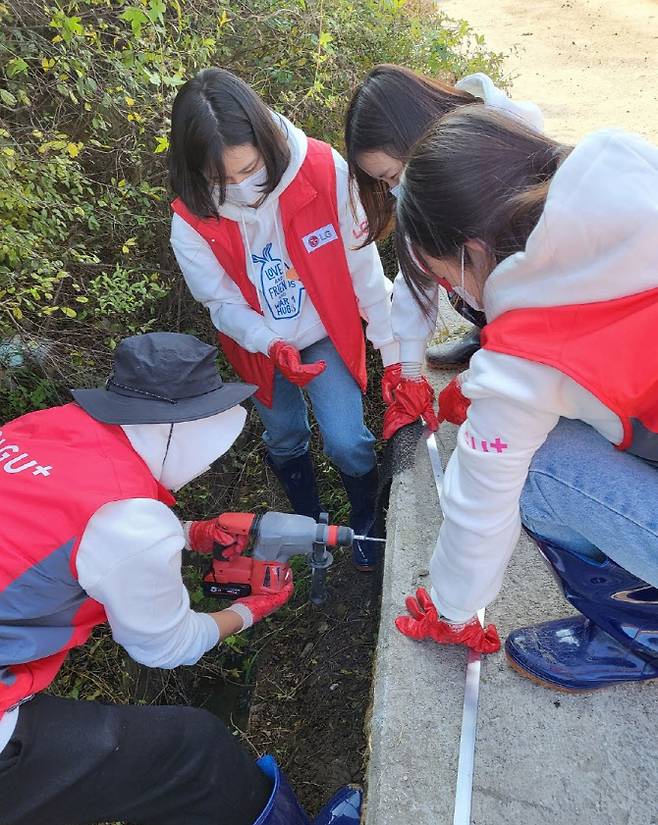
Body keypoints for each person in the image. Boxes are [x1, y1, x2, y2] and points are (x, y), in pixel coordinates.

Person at [0, 332, 361, 825]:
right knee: (196, 753)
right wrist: (246, 610)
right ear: (184, 427)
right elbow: (164, 648)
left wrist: (191, 533)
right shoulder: (129, 520)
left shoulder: (39, 429)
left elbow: (56, 529)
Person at [392, 106, 658, 692]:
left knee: (539, 469)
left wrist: (451, 607)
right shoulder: (629, 163)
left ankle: (641, 633)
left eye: (447, 277)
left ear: (472, 252)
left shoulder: (531, 341)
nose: (457, 293)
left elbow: (481, 499)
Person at [169, 68, 400, 572]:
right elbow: (220, 303)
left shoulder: (319, 169)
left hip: (324, 333)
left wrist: (393, 351)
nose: (240, 187)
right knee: (284, 436)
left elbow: (362, 265)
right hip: (258, 346)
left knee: (346, 438)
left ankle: (365, 518)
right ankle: (310, 524)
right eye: (220, 180)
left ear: (265, 143)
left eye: (248, 168)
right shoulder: (190, 220)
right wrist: (270, 342)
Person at [344, 64, 543, 438]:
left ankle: (491, 340)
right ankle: (485, 333)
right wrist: (409, 371)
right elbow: (415, 276)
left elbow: (543, 319)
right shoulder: (424, 192)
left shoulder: (506, 171)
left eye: (395, 174)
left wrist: (481, 378)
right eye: (385, 183)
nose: (395, 189)